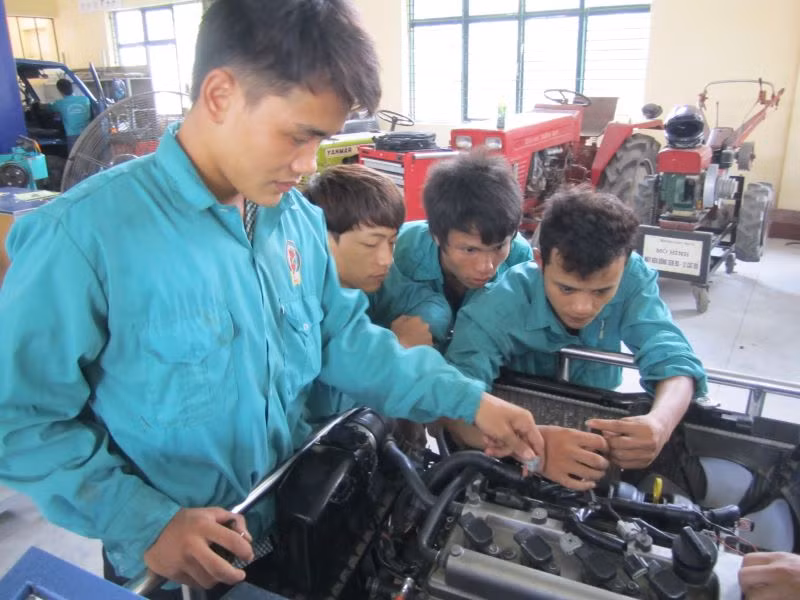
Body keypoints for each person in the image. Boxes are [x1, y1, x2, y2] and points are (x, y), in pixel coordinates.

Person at [0, 1, 544, 598]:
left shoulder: (294, 222)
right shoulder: (84, 237)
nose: (307, 164)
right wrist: (145, 521)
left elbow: (344, 339)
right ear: (220, 95)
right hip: (172, 563)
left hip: (289, 522)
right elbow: (20, 420)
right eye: (298, 135)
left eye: (323, 140)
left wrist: (469, 401)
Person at [444, 186, 708, 488]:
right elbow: (455, 409)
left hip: (599, 435)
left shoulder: (632, 278)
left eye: (601, 291)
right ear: (540, 262)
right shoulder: (495, 308)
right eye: (566, 288)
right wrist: (535, 449)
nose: (582, 308)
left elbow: (672, 355)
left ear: (625, 264)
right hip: (511, 449)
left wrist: (660, 424)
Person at [388, 149, 533, 348]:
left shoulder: (520, 259)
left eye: (499, 247)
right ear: (436, 236)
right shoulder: (399, 250)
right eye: (470, 250)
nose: (486, 267)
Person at [303, 163, 448, 349]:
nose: (386, 260)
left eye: (392, 242)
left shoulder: (379, 277)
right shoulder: (302, 298)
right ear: (323, 239)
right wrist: (392, 344)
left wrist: (419, 327)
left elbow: (431, 302)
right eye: (370, 244)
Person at [51, 78, 91, 151]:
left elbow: (50, 109)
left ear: (60, 91)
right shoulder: (85, 99)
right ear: (72, 87)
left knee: (74, 158)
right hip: (87, 133)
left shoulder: (59, 103)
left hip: (72, 135)